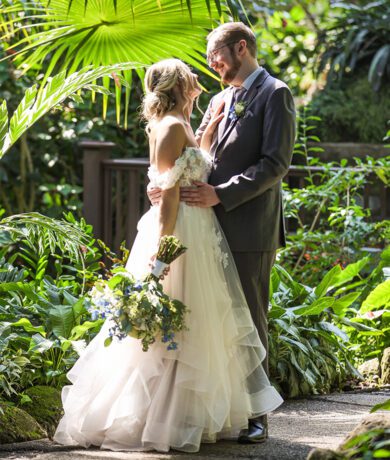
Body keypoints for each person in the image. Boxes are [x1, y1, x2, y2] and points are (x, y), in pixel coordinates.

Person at [53, 58, 283, 453]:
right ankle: (162, 418)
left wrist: (206, 131)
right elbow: (168, 197)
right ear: (178, 83)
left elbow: (190, 168)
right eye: (190, 71)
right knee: (175, 328)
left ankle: (187, 414)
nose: (200, 73)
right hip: (180, 232)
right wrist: (161, 257)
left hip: (200, 229)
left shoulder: (182, 123)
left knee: (193, 326)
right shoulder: (173, 126)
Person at [149, 22, 296, 443]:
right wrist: (165, 181)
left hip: (249, 226)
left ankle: (257, 417)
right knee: (212, 321)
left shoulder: (276, 94)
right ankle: (225, 409)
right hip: (206, 228)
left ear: (241, 48)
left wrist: (222, 195)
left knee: (249, 317)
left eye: (217, 56)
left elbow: (275, 164)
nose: (212, 65)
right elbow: (201, 157)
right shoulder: (221, 97)